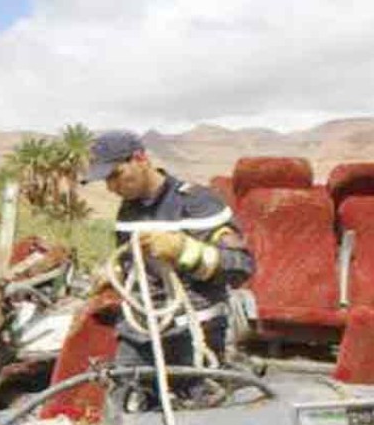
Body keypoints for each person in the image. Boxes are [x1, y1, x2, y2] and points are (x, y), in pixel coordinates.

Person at [81, 131, 255, 403]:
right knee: (122, 407)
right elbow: (129, 263)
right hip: (139, 333)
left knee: (194, 414)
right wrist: (114, 273)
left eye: (116, 175)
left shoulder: (198, 203)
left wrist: (184, 251)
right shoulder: (127, 212)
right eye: (107, 180)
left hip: (194, 334)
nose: (111, 187)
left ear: (140, 159)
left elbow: (241, 267)